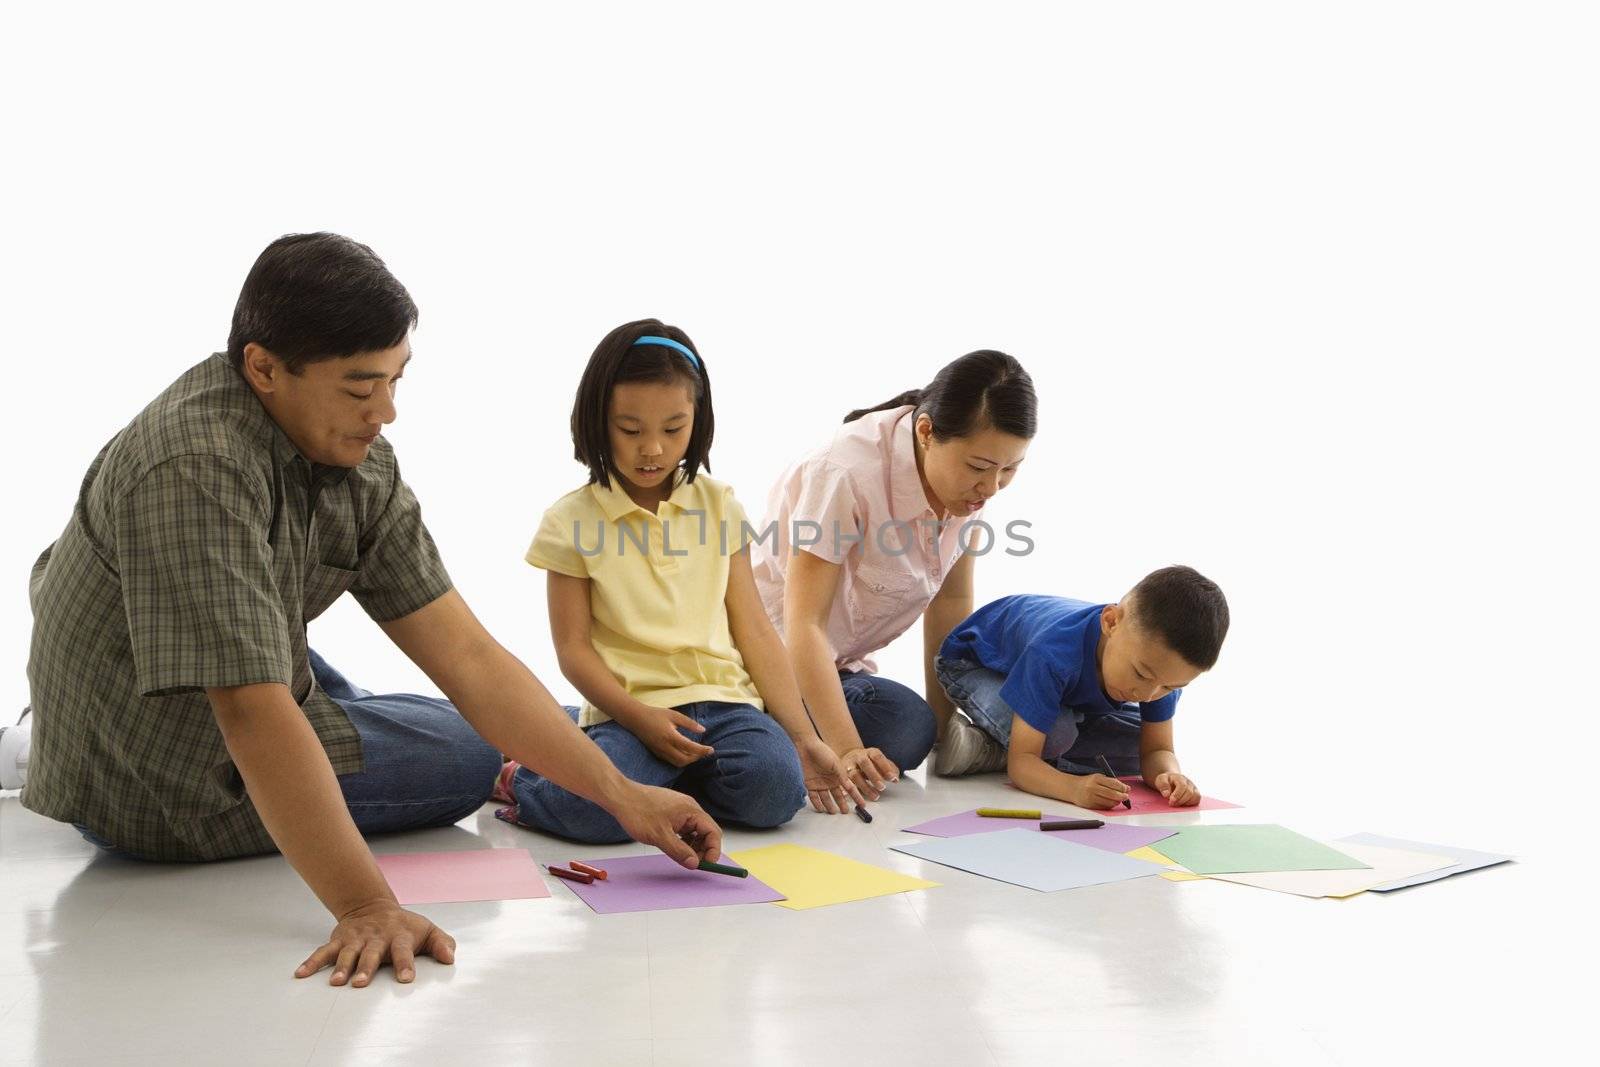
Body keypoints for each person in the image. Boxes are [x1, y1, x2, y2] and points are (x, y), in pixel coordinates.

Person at [21, 234, 722, 989]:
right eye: (361, 389)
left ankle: (456, 725)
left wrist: (625, 796)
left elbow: (469, 656)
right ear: (262, 367)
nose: (385, 411)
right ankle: (42, 746)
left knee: (420, 692)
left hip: (198, 664)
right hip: (157, 773)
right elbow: (254, 714)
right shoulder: (193, 468)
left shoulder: (354, 457)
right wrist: (365, 904)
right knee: (467, 754)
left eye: (396, 379)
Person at [501, 318, 861, 837]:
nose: (652, 449)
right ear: (596, 421)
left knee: (776, 793)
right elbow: (573, 650)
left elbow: (755, 629)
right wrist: (638, 717)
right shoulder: (570, 521)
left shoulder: (718, 504)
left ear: (699, 420)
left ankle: (670, 787)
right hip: (631, 712)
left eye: (673, 429)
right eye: (630, 429)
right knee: (594, 814)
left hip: (725, 704)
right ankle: (523, 777)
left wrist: (804, 737)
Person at [751, 351, 1035, 812]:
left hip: (834, 667)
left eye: (1010, 469)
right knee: (769, 779)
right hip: (764, 657)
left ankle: (780, 730)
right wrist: (845, 751)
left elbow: (952, 600)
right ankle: (755, 722)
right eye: (981, 467)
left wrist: (945, 736)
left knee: (909, 729)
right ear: (926, 432)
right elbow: (803, 623)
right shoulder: (843, 472)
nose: (992, 487)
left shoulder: (967, 487)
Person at [931, 566, 1229, 809]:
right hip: (975, 664)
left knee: (1133, 748)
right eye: (1140, 674)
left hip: (1065, 694)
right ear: (1111, 622)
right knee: (1057, 735)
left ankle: (1003, 740)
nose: (1148, 695)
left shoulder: (1160, 669)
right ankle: (994, 746)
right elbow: (1022, 764)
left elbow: (1158, 749)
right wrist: (1073, 788)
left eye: (1170, 686)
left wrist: (1169, 775)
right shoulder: (1053, 654)